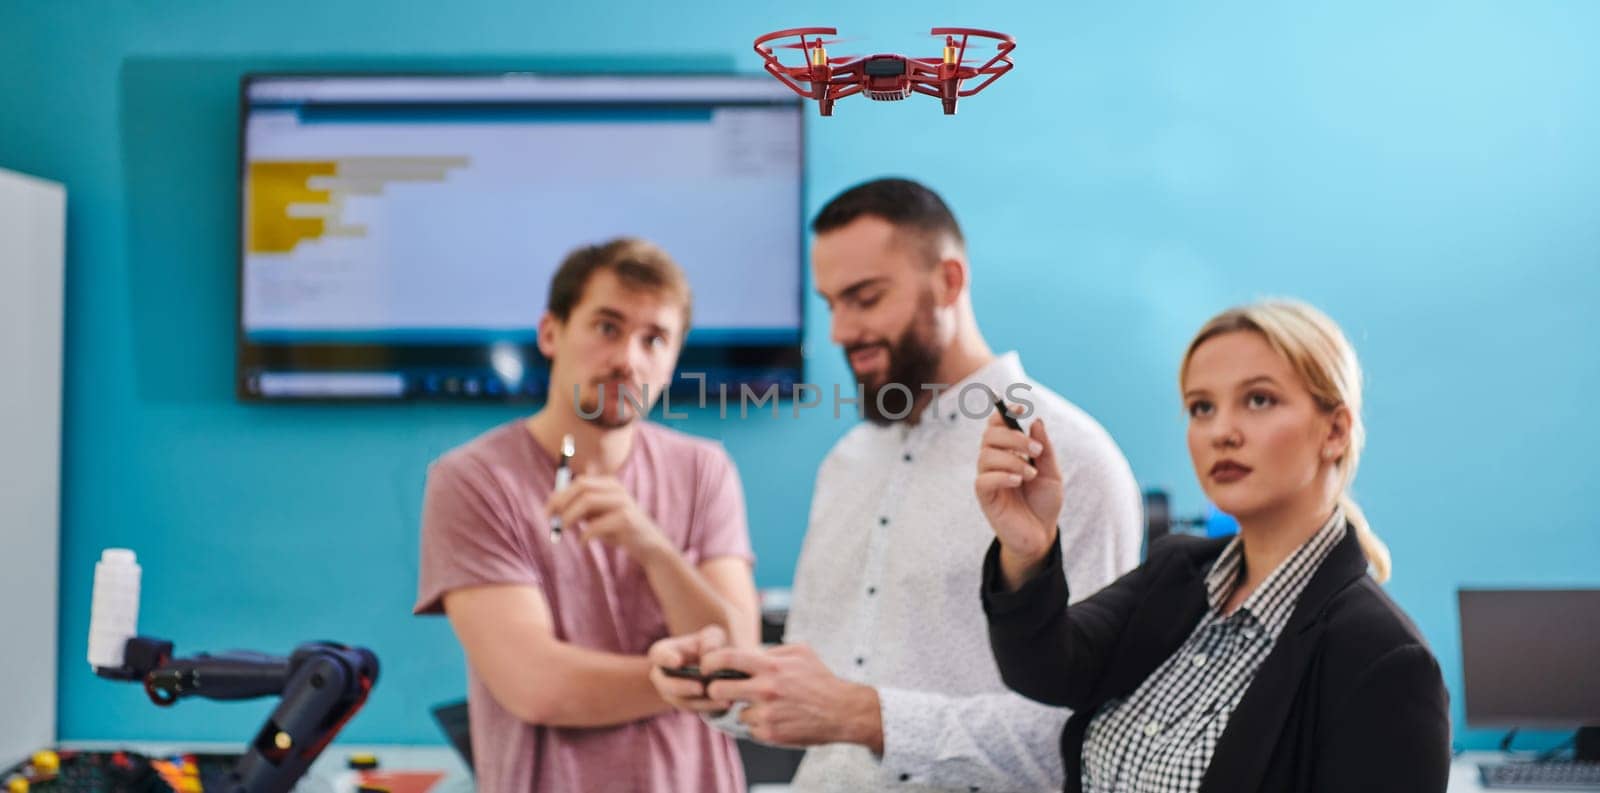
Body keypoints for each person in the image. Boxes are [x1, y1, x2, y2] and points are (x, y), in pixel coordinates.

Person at [649, 178, 1143, 792]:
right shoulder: (846, 464)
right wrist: (722, 686)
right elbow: (816, 693)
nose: (840, 331)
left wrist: (865, 716)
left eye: (865, 297)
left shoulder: (1070, 461)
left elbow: (1086, 730)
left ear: (949, 282)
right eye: (831, 303)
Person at [978, 299, 1450, 793]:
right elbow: (1045, 670)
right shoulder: (1176, 573)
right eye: (1202, 407)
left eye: (1259, 400)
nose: (1221, 432)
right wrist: (1028, 551)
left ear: (1335, 431)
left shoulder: (1387, 661)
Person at [412, 238, 760, 793]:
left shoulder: (703, 470)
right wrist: (694, 677)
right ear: (551, 332)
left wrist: (653, 548)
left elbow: (741, 662)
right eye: (607, 327)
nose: (628, 358)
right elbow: (537, 686)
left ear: (674, 359)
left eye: (655, 339)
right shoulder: (474, 480)